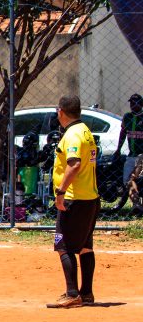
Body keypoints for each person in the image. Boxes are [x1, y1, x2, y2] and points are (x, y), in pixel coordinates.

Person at [47, 95, 101, 308]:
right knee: (85, 246)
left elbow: (74, 164)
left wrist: (60, 192)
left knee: (64, 246)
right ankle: (86, 293)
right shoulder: (85, 131)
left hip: (74, 199)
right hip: (89, 198)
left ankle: (72, 294)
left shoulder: (73, 134)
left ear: (61, 111)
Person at [115, 93, 143, 184]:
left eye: (135, 103)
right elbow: (123, 133)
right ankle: (128, 195)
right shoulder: (127, 117)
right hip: (131, 155)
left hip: (142, 156)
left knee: (139, 180)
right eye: (131, 103)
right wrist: (118, 149)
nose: (132, 105)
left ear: (141, 104)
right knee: (126, 181)